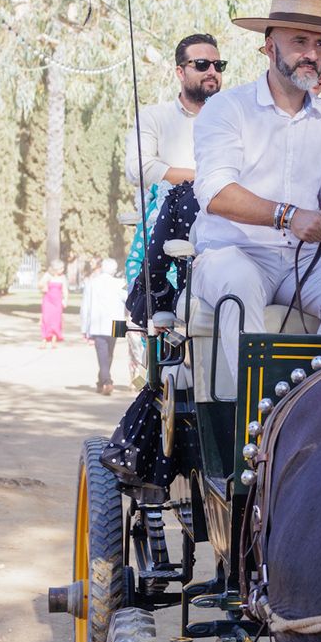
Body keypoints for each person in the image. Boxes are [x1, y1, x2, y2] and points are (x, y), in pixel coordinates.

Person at [190, 0, 321, 389]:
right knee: (238, 282)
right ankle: (250, 422)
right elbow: (216, 192)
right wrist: (290, 215)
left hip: (302, 260)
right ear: (269, 47)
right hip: (231, 252)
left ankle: (320, 407)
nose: (312, 53)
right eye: (300, 42)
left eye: (320, 44)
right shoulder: (227, 108)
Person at [124, 34, 225, 287]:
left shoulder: (233, 119)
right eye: (202, 65)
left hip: (223, 223)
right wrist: (202, 180)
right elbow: (139, 169)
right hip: (165, 225)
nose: (212, 71)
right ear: (180, 72)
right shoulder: (153, 117)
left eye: (218, 65)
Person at [81, 258, 130, 394]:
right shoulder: (120, 283)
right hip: (116, 323)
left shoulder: (92, 283)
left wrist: (84, 328)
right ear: (114, 270)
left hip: (98, 324)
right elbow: (128, 300)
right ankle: (102, 381)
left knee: (103, 355)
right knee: (109, 354)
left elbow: (85, 306)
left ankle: (106, 381)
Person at [39, 261, 68, 347]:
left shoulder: (63, 278)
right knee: (46, 319)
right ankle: (44, 339)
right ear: (55, 269)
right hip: (48, 300)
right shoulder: (48, 275)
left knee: (56, 320)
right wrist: (43, 287)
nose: (62, 270)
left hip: (57, 301)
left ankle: (54, 340)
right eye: (61, 268)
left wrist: (65, 300)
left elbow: (65, 290)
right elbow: (40, 284)